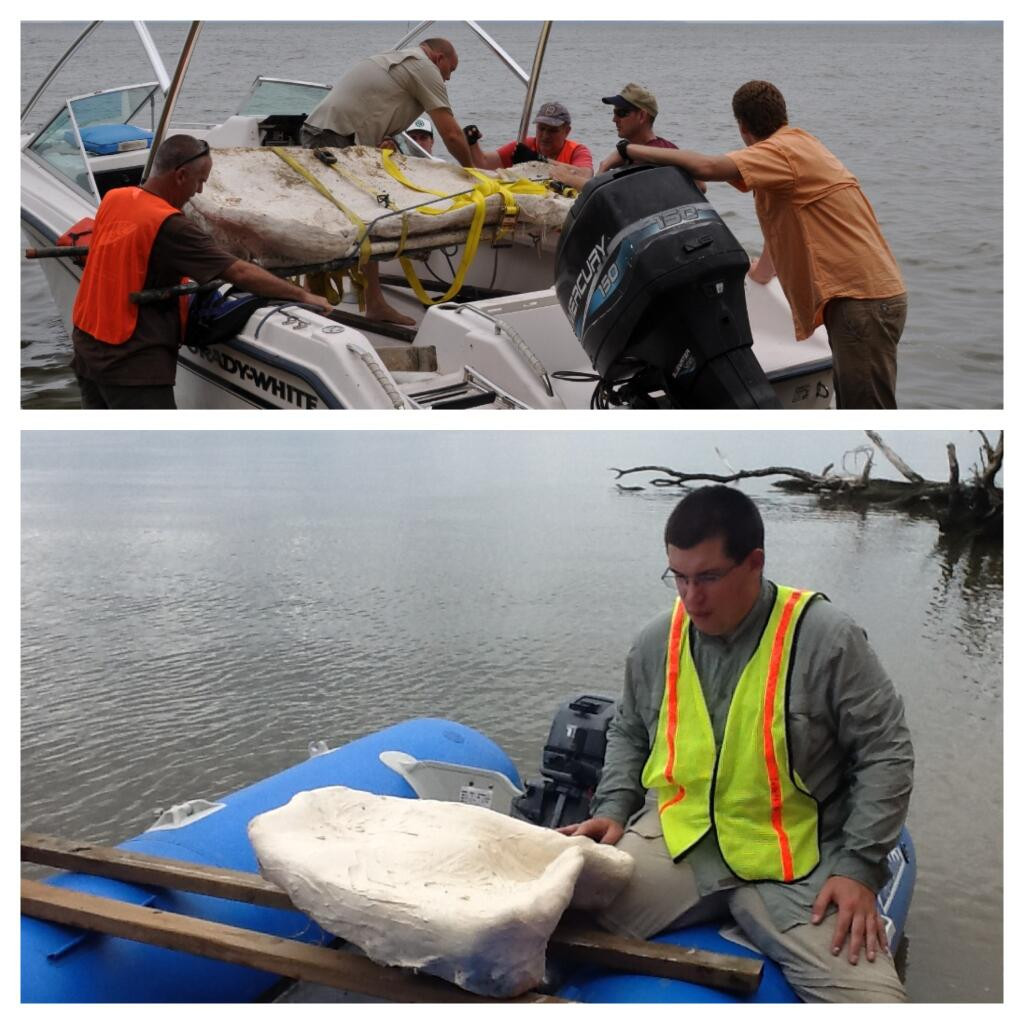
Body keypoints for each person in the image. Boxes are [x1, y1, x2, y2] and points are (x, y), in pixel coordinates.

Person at [560, 485, 913, 1003]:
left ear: (754, 563)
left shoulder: (827, 638)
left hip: (800, 860)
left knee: (879, 1004)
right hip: (683, 841)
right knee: (548, 924)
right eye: (678, 577)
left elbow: (886, 751)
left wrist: (859, 867)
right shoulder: (656, 640)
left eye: (707, 577)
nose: (690, 597)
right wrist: (615, 808)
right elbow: (631, 729)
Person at [618, 81, 907, 409]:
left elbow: (707, 168)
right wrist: (762, 273)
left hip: (862, 301)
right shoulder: (798, 145)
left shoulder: (780, 152)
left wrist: (628, 150)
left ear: (741, 125)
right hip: (869, 297)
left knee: (866, 414)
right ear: (781, 114)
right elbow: (784, 225)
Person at [71, 134, 332, 410]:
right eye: (200, 181)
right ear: (181, 176)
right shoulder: (170, 225)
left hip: (87, 350)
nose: (199, 192)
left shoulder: (115, 198)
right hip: (132, 363)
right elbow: (240, 273)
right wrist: (303, 295)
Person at [300, 39, 481, 325]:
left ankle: (365, 301)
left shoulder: (394, 59)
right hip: (334, 137)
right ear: (439, 57)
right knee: (354, 216)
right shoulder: (424, 67)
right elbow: (451, 133)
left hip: (329, 132)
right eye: (451, 69)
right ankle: (318, 298)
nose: (448, 77)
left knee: (368, 215)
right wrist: (474, 173)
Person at [466, 101, 593, 189]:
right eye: (541, 128)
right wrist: (472, 143)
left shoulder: (577, 150)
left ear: (567, 131)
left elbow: (586, 176)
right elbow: (483, 163)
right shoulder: (524, 146)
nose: (545, 135)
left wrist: (539, 160)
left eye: (552, 130)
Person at [597, 83, 677, 173]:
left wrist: (604, 166)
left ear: (642, 116)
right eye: (614, 113)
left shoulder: (655, 159)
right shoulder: (624, 156)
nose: (614, 119)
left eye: (621, 113)